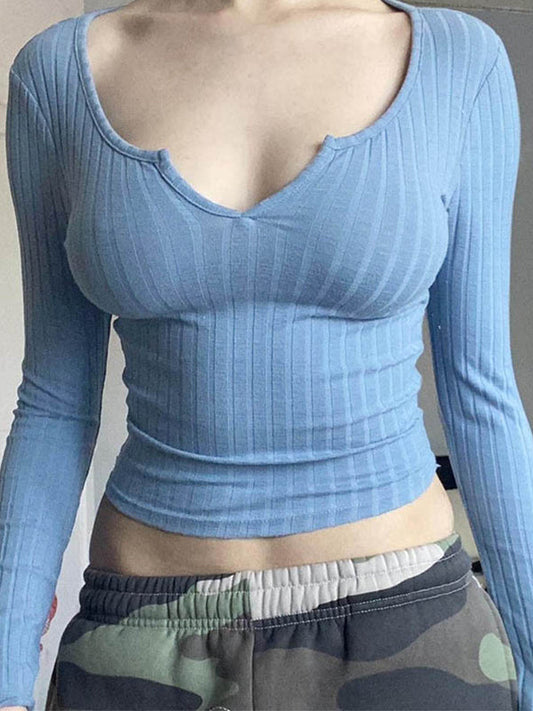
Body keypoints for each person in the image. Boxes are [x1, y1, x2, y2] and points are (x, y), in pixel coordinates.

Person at [0, 0, 531, 708]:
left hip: (406, 626)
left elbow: (480, 393)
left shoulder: (458, 61)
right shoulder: (59, 74)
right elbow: (55, 403)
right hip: (139, 638)